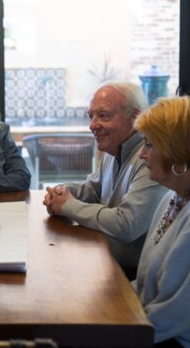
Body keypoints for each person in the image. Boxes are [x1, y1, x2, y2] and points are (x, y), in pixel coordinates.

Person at [42, 81, 168, 279]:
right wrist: (62, 192)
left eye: (104, 115)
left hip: (132, 276)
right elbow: (95, 189)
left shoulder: (150, 158)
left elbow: (127, 224)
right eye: (91, 116)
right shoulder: (113, 147)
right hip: (104, 260)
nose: (92, 125)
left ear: (136, 116)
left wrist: (67, 206)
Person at [132, 96, 190, 347]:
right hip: (160, 328)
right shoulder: (173, 197)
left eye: (149, 145)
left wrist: (116, 331)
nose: (142, 154)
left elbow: (177, 315)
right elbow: (147, 286)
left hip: (185, 340)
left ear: (176, 153)